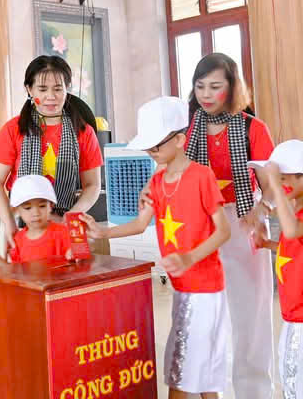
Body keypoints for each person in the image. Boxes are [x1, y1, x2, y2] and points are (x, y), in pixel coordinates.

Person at [141, 53, 276, 397]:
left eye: (215, 86)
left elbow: (272, 185)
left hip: (243, 222)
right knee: (200, 313)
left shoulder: (253, 129)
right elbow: (168, 171)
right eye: (200, 86)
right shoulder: (186, 130)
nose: (206, 94)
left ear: (233, 88)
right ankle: (203, 385)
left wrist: (260, 211)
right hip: (198, 226)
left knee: (250, 314)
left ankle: (254, 390)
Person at [83, 96, 230, 399]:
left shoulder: (201, 176)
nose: (152, 152)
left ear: (179, 139)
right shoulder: (157, 182)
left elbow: (223, 230)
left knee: (185, 367)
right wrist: (104, 232)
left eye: (156, 146)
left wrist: (190, 257)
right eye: (148, 147)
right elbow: (140, 224)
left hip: (206, 289)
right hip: (182, 287)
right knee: (194, 367)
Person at [0, 56, 103, 257]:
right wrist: (8, 221)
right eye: (42, 89)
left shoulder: (84, 132)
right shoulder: (12, 130)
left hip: (66, 220)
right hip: (22, 222)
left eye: (58, 89)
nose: (51, 96)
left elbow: (92, 185)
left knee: (73, 272)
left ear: (67, 88)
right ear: (29, 90)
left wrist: (71, 216)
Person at [249, 140, 303, 399]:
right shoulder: (299, 209)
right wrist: (267, 244)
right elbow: (295, 248)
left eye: (283, 178)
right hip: (296, 307)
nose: (277, 184)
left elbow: (291, 231)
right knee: (290, 369)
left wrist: (275, 188)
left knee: (302, 375)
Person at [0, 175, 71, 267]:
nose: (36, 213)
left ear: (51, 206)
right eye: (27, 208)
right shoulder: (18, 240)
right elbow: (14, 273)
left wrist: (74, 255)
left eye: (42, 206)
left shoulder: (64, 233)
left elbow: (76, 263)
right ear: (18, 211)